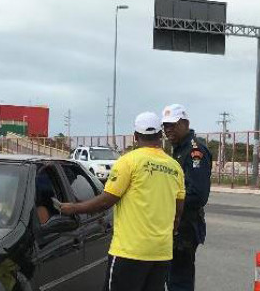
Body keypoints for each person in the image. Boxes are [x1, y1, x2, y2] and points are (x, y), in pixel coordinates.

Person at [61, 112, 185, 291]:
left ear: (135, 136)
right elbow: (178, 212)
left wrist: (72, 208)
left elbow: (106, 201)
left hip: (130, 253)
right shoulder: (175, 167)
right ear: (160, 135)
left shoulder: (128, 162)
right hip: (161, 253)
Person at [161, 104, 212, 291]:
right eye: (165, 125)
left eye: (173, 125)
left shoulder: (194, 151)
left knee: (179, 281)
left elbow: (198, 195)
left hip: (185, 227)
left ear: (185, 123)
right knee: (172, 278)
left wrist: (166, 203)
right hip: (175, 225)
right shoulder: (178, 150)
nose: (168, 130)